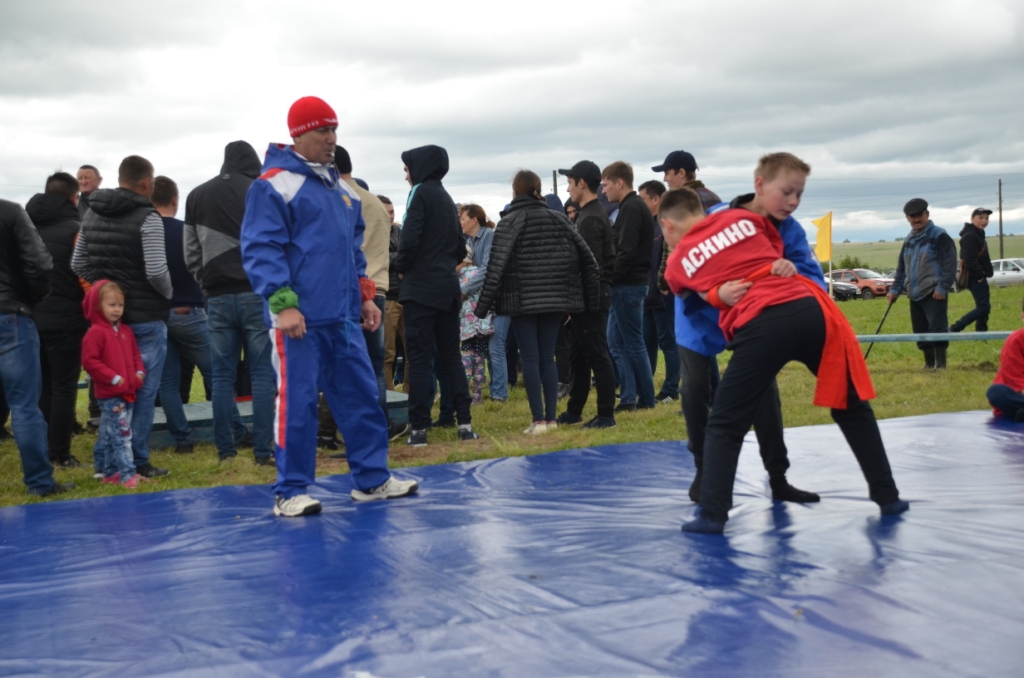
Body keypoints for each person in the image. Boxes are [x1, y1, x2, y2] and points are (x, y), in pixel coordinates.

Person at [661, 185, 908, 534]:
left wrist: (721, 290)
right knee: (850, 404)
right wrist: (728, 287)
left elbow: (681, 279)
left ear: (668, 226)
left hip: (764, 323)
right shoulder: (738, 224)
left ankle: (721, 508)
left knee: (728, 419)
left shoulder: (695, 248)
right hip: (801, 313)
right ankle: (888, 496)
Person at [241, 96, 418, 517]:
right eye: (323, 130)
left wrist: (366, 297)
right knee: (298, 403)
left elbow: (353, 251)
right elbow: (261, 247)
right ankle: (290, 491)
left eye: (334, 130)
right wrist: (284, 305)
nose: (332, 138)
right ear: (299, 134)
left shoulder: (340, 188)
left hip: (342, 317)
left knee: (362, 397)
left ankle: (372, 480)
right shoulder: (273, 184)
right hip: (299, 320)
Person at [671, 154, 822, 505]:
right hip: (700, 313)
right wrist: (712, 293)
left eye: (798, 195)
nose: (792, 203)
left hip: (753, 315)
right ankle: (704, 469)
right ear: (760, 188)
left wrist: (788, 279)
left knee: (762, 389)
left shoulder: (790, 230)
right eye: (785, 193)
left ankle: (778, 476)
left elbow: (813, 281)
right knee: (694, 388)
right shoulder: (716, 218)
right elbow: (681, 268)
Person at [476, 170, 601, 433]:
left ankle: (538, 420)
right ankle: (552, 419)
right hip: (555, 298)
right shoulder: (560, 218)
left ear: (515, 191)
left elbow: (495, 268)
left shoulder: (509, 222)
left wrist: (482, 308)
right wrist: (589, 300)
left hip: (520, 300)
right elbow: (589, 260)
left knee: (530, 359)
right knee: (548, 357)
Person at [72, 155, 171, 478]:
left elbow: (78, 263)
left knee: (114, 393)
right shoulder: (149, 217)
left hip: (109, 320)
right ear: (147, 183)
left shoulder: (91, 213)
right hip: (146, 315)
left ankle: (109, 460)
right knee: (143, 392)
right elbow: (156, 271)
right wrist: (168, 295)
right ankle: (137, 459)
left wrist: (106, 293)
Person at [184, 141, 275, 463]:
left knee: (222, 377)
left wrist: (206, 283)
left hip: (217, 296)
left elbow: (191, 251)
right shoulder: (261, 190)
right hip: (257, 293)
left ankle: (226, 451)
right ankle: (263, 451)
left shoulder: (197, 195)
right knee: (262, 375)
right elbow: (276, 243)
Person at [317, 147, 405, 445]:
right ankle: (377, 426)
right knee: (373, 367)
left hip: (345, 291)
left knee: (339, 364)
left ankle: (329, 429)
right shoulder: (374, 203)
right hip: (376, 290)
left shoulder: (336, 199)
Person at [395, 144, 479, 446]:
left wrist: (402, 267)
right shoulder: (446, 197)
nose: (406, 175)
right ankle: (464, 424)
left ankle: (418, 428)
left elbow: (409, 237)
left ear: (419, 168)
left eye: (407, 169)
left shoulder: (418, 193)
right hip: (447, 289)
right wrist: (443, 264)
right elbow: (459, 246)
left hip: (420, 290)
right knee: (450, 357)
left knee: (418, 359)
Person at [0, 198, 72, 496]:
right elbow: (40, 264)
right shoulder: (9, 212)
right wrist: (31, 299)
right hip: (10, 313)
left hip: (12, 309)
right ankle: (40, 482)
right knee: (25, 405)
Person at [151, 177, 220, 456]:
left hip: (158, 314)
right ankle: (235, 431)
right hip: (189, 311)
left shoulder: (146, 233)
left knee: (167, 382)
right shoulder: (185, 231)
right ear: (175, 200)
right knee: (217, 374)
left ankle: (182, 439)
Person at [26, 172, 89, 467]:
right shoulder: (76, 230)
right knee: (64, 387)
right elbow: (85, 276)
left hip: (30, 317)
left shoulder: (25, 228)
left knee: (43, 387)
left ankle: (41, 448)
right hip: (67, 319)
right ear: (74, 198)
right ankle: (59, 452)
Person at [556, 160, 617, 428]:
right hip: (587, 297)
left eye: (570, 183)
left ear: (581, 183)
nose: (568, 189)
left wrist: (587, 302)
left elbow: (592, 267)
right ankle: (574, 411)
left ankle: (606, 415)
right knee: (578, 357)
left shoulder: (591, 217)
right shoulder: (589, 213)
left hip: (592, 297)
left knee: (597, 355)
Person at [80, 281, 148, 488]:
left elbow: (136, 355)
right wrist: (113, 378)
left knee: (112, 435)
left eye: (120, 305)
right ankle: (128, 475)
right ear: (97, 305)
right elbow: (89, 361)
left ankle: (110, 473)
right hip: (110, 395)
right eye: (111, 305)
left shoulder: (126, 331)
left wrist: (139, 373)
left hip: (129, 391)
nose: (117, 309)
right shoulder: (95, 333)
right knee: (123, 435)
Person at [601, 161, 655, 411]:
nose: (604, 190)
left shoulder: (632, 207)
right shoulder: (631, 206)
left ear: (619, 183)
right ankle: (629, 396)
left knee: (632, 343)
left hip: (627, 284)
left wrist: (611, 278)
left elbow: (626, 250)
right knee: (616, 341)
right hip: (628, 283)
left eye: (606, 184)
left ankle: (644, 398)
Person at [887, 198, 957, 370]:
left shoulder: (939, 235)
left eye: (919, 215)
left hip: (934, 292)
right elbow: (902, 267)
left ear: (927, 214)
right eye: (912, 217)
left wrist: (942, 287)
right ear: (907, 218)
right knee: (920, 330)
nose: (916, 219)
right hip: (914, 293)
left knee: (937, 328)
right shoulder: (909, 239)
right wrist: (894, 289)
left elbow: (950, 264)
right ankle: (929, 363)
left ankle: (940, 365)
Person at [638, 180, 680, 404]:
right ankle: (644, 388)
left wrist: (663, 286)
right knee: (646, 345)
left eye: (642, 199)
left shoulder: (666, 225)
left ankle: (671, 389)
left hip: (663, 295)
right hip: (646, 296)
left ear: (656, 199)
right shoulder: (648, 225)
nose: (640, 203)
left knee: (669, 343)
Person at [458, 204, 495, 404]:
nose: (460, 222)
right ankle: (478, 394)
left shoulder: (488, 236)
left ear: (473, 220)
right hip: (481, 323)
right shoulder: (471, 241)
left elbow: (487, 269)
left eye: (463, 218)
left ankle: (468, 394)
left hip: (468, 326)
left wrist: (463, 291)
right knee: (480, 357)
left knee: (468, 358)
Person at [951, 207, 994, 333]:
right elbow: (969, 258)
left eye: (986, 218)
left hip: (978, 275)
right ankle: (955, 328)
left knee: (984, 307)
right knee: (983, 307)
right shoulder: (970, 235)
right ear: (972, 219)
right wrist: (979, 275)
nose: (984, 221)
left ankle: (981, 334)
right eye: (981, 218)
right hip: (974, 276)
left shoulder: (978, 234)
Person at [381, 195, 408, 391]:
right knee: (387, 354)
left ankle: (410, 397)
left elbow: (411, 255)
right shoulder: (373, 234)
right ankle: (388, 398)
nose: (390, 216)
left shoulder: (400, 232)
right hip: (387, 296)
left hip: (406, 296)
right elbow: (379, 258)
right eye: (386, 212)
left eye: (392, 212)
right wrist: (401, 258)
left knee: (412, 353)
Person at [987, 299, 1024, 421]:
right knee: (995, 392)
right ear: (1023, 317)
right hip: (1019, 393)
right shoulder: (1015, 341)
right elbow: (1016, 383)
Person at [653, 150, 721, 209]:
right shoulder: (715, 198)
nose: (664, 179)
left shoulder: (676, 202)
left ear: (681, 173)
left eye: (667, 173)